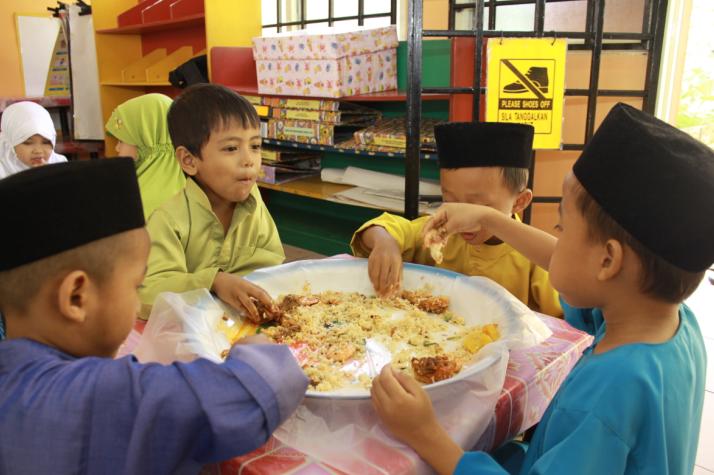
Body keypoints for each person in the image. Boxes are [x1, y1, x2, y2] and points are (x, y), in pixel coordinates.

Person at [370, 103, 712, 474]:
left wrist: (425, 433)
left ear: (608, 262)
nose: (554, 241)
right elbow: (564, 262)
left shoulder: (604, 395)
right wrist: (489, 217)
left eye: (562, 228)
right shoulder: (670, 322)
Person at [0, 158, 308, 474]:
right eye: (136, 285)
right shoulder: (91, 400)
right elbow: (254, 387)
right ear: (76, 297)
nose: (136, 304)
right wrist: (256, 351)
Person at [351, 122, 561, 317]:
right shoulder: (441, 231)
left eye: (479, 207)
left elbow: (563, 322)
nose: (463, 219)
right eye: (451, 201)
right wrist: (385, 241)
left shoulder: (534, 257)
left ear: (519, 202)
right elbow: (385, 227)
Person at [139, 84, 284, 319]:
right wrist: (213, 282)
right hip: (186, 336)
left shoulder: (254, 203)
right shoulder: (168, 221)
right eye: (231, 148)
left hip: (241, 325)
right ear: (189, 160)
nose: (249, 160)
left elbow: (273, 266)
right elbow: (149, 295)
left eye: (255, 146)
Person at [105, 93, 186, 218]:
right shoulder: (187, 181)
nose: (117, 148)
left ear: (145, 140)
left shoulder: (138, 200)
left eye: (121, 141)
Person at [0, 101, 67, 179]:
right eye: (28, 143)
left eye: (46, 142)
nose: (38, 151)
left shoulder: (60, 164)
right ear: (10, 142)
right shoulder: (2, 169)